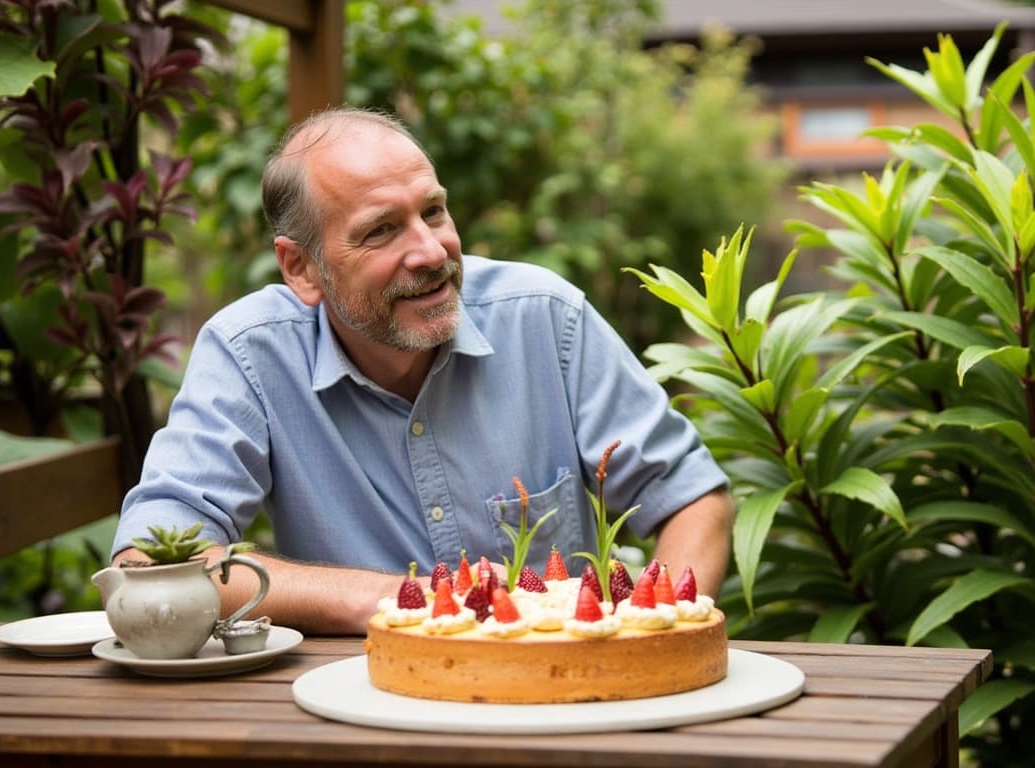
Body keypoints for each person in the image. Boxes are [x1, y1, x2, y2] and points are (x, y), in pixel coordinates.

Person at [110, 106, 734, 634]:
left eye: (432, 212)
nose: (432, 252)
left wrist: (654, 636)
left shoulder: (545, 318)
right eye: (381, 231)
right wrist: (388, 597)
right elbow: (148, 562)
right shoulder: (249, 353)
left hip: (556, 696)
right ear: (301, 268)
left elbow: (692, 499)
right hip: (357, 706)